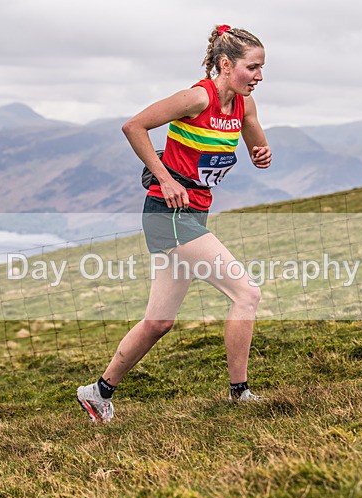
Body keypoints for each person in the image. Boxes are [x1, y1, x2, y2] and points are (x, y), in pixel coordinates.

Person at [77, 24, 272, 423]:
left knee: (159, 322)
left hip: (195, 214)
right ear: (225, 64)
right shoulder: (195, 97)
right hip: (167, 216)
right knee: (246, 293)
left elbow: (256, 146)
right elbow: (133, 126)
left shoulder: (244, 106)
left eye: (261, 68)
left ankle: (98, 392)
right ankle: (240, 393)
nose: (259, 76)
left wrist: (262, 153)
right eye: (252, 67)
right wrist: (164, 177)